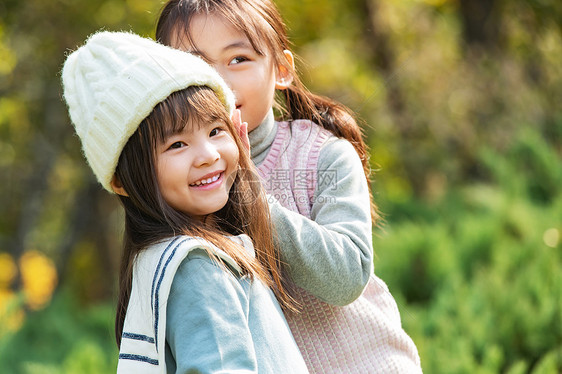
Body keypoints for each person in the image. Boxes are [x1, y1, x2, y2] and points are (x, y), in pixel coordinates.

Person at [155, 1, 423, 373]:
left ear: (281, 69)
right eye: (195, 65)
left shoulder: (323, 155)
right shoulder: (180, 179)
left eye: (238, 59)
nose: (218, 81)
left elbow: (348, 276)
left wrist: (247, 189)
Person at [61, 30, 309, 373]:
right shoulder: (199, 267)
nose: (208, 155)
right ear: (122, 181)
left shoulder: (162, 259)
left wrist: (246, 177)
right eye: (177, 144)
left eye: (215, 131)